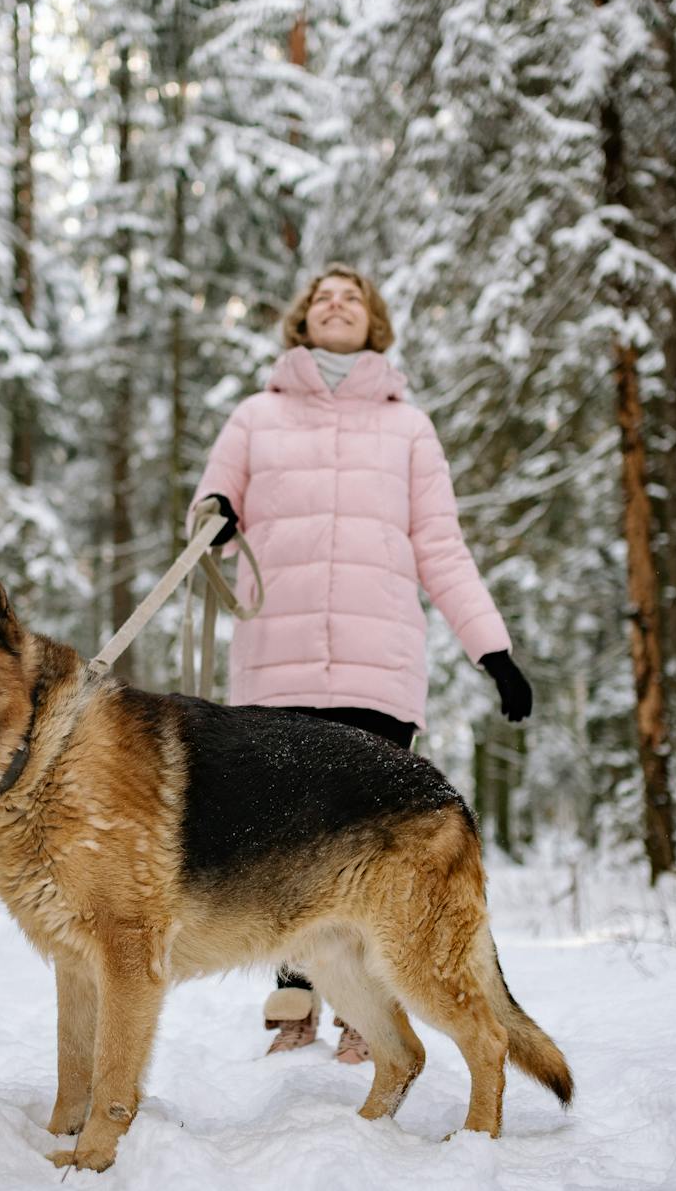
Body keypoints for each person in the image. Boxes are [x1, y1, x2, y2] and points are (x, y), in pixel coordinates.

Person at [188, 263, 533, 1063]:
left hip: (378, 666)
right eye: (320, 297)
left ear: (374, 321)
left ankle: (363, 1010)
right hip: (277, 660)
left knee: (368, 845)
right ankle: (294, 997)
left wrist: (494, 648)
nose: (334, 303)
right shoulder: (255, 415)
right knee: (277, 833)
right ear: (301, 322)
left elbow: (441, 546)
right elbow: (210, 504)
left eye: (351, 296)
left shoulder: (409, 428)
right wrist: (215, 515)